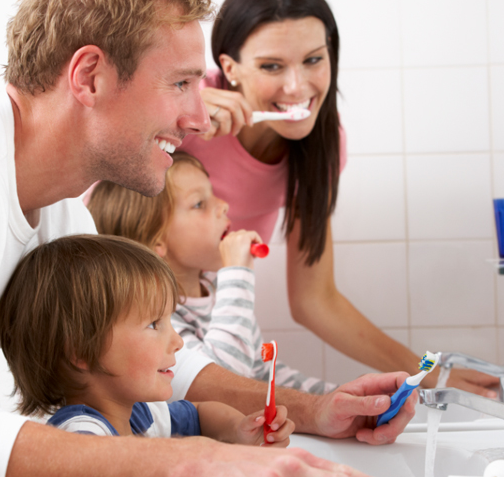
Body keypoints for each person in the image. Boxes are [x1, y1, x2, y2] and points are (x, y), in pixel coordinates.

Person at [0, 0, 406, 477]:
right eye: (181, 83)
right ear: (91, 76)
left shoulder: (57, 201)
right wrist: (196, 466)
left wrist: (315, 410)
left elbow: (138, 351)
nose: (198, 117)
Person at [180, 0, 499, 397]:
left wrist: (426, 373)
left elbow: (315, 299)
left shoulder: (323, 145)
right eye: (272, 66)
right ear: (229, 68)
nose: (297, 86)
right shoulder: (186, 109)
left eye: (313, 59)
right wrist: (167, 110)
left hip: (209, 325)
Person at [0, 234, 295, 446]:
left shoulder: (138, 413)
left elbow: (200, 414)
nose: (177, 341)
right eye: (154, 324)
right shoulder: (81, 437)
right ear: (82, 351)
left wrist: (240, 429)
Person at [88, 152, 337, 395]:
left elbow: (261, 373)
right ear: (158, 242)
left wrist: (333, 397)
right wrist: (237, 274)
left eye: (213, 194)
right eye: (199, 204)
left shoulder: (217, 289)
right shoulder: (157, 316)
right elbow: (227, 383)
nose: (223, 205)